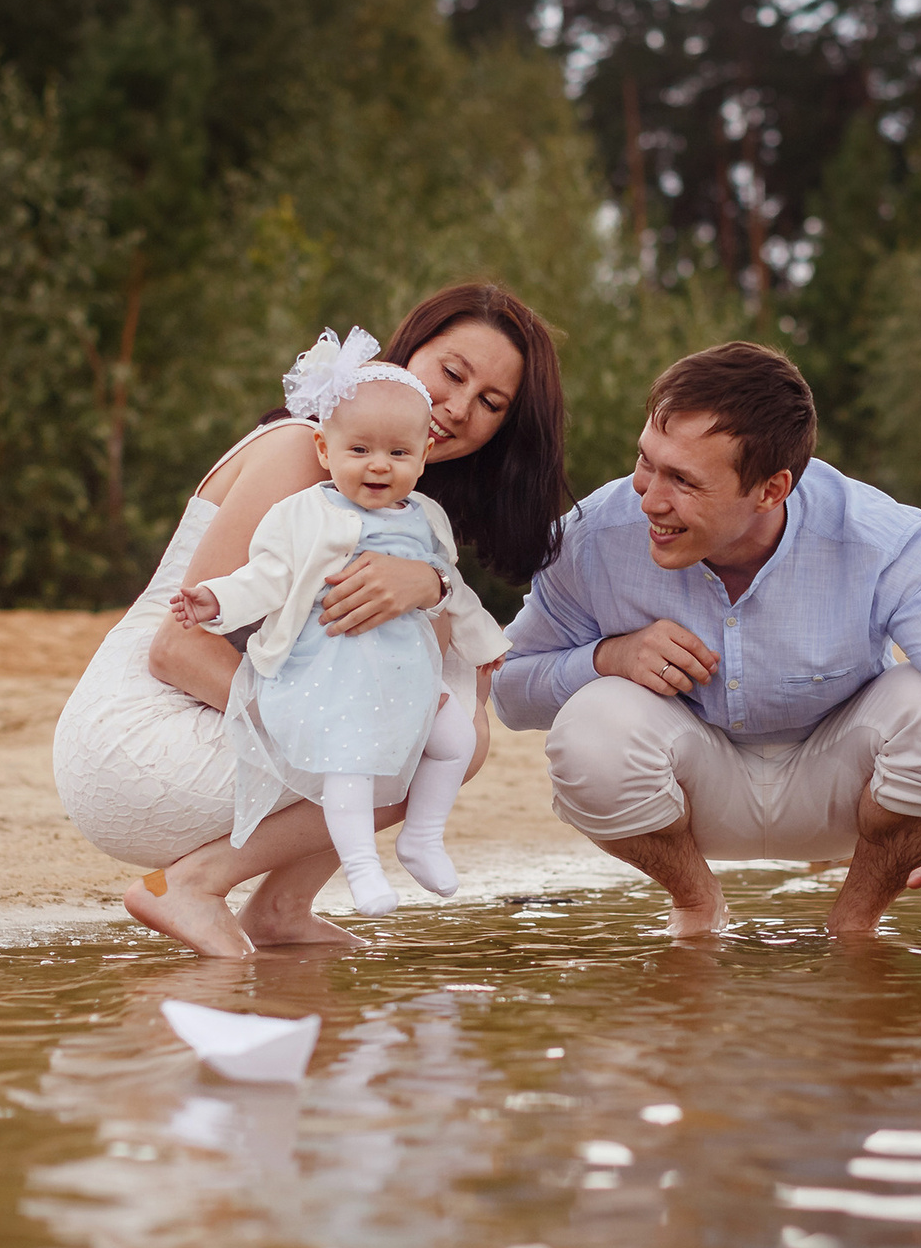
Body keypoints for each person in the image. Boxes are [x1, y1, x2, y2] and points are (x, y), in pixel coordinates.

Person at [54, 285, 569, 957]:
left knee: (449, 700)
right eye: (451, 373)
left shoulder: (399, 500)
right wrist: (330, 720)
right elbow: (175, 651)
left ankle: (281, 907)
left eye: (490, 403)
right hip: (139, 733)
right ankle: (191, 884)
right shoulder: (305, 449)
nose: (459, 407)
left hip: (215, 717)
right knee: (420, 732)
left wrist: (430, 583)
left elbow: (433, 663)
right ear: (408, 350)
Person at [494, 341, 921, 937]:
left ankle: (855, 927)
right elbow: (509, 690)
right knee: (593, 722)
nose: (649, 498)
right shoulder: (588, 538)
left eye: (683, 480)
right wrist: (608, 657)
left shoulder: (879, 539)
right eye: (646, 460)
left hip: (845, 789)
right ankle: (697, 906)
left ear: (771, 489)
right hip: (683, 789)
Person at [170, 327, 511, 915]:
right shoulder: (305, 508)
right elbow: (266, 577)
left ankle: (422, 837)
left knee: (457, 738)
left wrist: (486, 646)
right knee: (351, 767)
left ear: (421, 456)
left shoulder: (426, 516)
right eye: (360, 452)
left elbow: (457, 595)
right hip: (331, 673)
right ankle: (360, 870)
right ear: (326, 451)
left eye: (398, 454)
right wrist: (216, 601)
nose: (378, 467)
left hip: (400, 671)